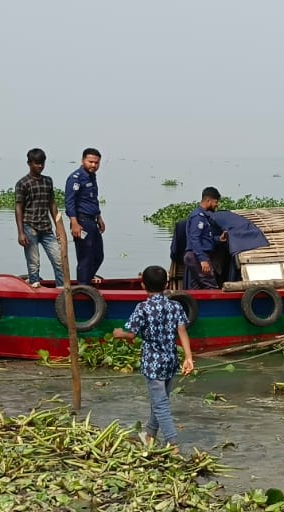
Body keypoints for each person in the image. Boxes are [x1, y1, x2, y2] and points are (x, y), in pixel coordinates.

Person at [112, 265, 195, 448]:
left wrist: (119, 334)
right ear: (166, 284)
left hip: (153, 362)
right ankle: (149, 435)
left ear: (143, 285)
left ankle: (172, 444)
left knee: (160, 404)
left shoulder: (143, 307)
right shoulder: (175, 306)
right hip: (171, 360)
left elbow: (131, 334)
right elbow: (182, 331)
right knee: (160, 400)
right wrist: (188, 358)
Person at [14, 148, 64, 287]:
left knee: (59, 259)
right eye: (37, 163)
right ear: (29, 163)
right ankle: (35, 286)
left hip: (46, 228)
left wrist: (59, 227)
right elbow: (18, 208)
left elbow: (52, 204)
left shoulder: (48, 181)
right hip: (29, 227)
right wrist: (20, 232)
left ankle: (61, 289)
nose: (40, 166)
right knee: (34, 262)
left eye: (42, 163)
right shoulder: (22, 183)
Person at [64, 148, 105, 284]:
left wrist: (99, 218)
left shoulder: (92, 177)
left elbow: (93, 199)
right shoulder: (75, 178)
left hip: (92, 221)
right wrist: (74, 223)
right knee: (85, 257)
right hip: (81, 221)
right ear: (83, 161)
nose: (93, 165)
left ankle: (86, 281)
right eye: (90, 162)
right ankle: (83, 286)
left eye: (96, 163)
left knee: (98, 256)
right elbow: (69, 202)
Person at [184, 187, 227, 289]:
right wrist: (203, 260)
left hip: (196, 255)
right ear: (208, 201)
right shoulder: (198, 216)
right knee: (211, 285)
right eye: (216, 202)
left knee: (197, 287)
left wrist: (219, 239)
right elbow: (195, 239)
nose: (217, 205)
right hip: (197, 256)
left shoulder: (205, 217)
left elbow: (206, 238)